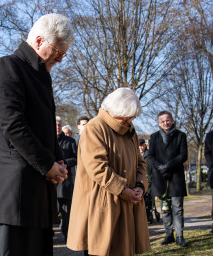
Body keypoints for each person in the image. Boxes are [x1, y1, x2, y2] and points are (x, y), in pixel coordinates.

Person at [0, 13, 72, 256]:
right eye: (57, 51)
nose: (60, 59)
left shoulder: (42, 77)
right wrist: (47, 165)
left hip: (38, 194)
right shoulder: (6, 67)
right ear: (38, 40)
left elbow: (44, 128)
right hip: (14, 194)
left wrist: (58, 159)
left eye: (63, 54)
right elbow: (13, 125)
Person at [66, 88, 150, 256]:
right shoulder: (94, 128)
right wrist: (123, 190)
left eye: (132, 118)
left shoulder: (130, 131)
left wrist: (140, 185)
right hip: (102, 206)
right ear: (116, 111)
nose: (129, 121)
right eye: (127, 118)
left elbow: (140, 163)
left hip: (127, 203)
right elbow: (97, 167)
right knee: (101, 250)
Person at [145, 111, 189, 247]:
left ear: (172, 120)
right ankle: (168, 234)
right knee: (165, 208)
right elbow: (150, 156)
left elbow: (183, 155)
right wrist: (160, 167)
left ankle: (180, 236)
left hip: (175, 177)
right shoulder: (154, 137)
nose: (165, 123)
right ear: (159, 123)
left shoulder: (181, 136)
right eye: (162, 121)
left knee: (177, 207)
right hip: (160, 177)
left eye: (168, 120)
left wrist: (169, 165)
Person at [55, 117, 77, 240]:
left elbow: (76, 158)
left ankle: (67, 234)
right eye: (55, 125)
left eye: (59, 125)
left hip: (65, 182)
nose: (57, 127)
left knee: (66, 212)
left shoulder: (70, 141)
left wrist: (64, 163)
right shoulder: (47, 139)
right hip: (50, 181)